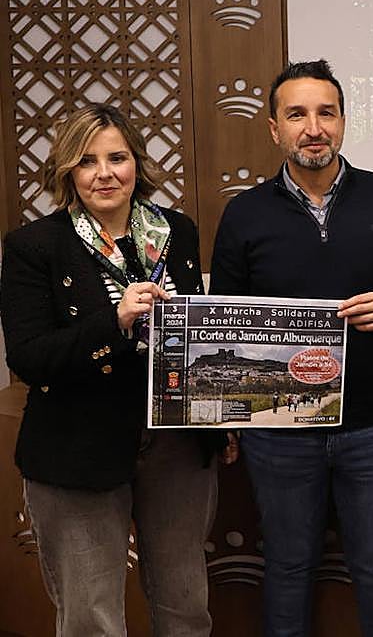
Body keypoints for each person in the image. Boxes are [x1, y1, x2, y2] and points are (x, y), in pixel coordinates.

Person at [210, 59, 373, 636]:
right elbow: (223, 328)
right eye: (297, 114)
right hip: (278, 433)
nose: (313, 127)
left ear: (342, 121)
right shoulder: (244, 214)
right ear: (274, 129)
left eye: (326, 113)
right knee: (287, 566)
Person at [0, 103, 233, 637]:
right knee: (91, 616)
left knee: (186, 607)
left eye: (117, 158)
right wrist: (115, 320)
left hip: (175, 445)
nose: (104, 173)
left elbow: (197, 333)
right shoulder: (35, 246)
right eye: (86, 161)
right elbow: (29, 356)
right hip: (77, 448)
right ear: (67, 172)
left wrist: (220, 419)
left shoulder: (176, 230)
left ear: (137, 165)